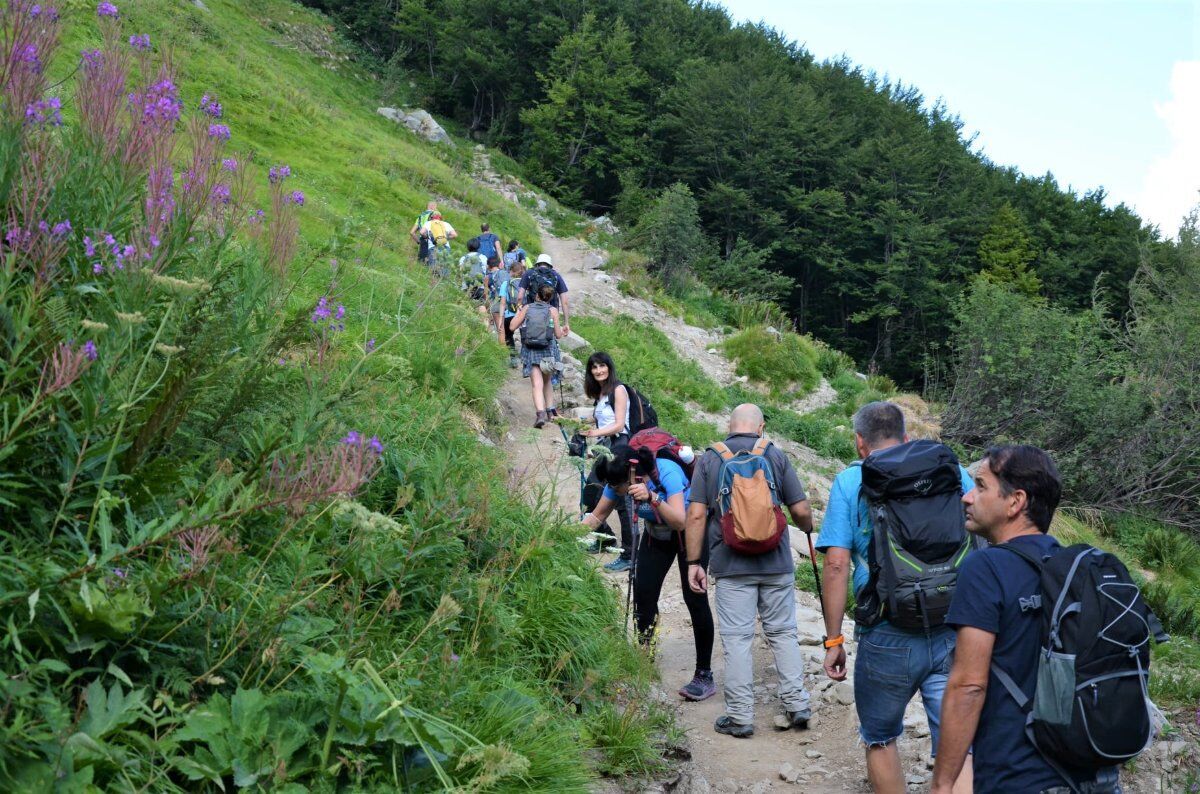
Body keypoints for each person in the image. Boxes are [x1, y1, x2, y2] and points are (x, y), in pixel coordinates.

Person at [932, 446, 1122, 794]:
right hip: (1094, 775)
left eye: (981, 486)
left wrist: (943, 783)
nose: (967, 497)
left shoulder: (985, 567)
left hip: (1017, 775)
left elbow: (968, 685)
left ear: (1015, 501)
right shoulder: (1077, 569)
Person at [815, 401, 974, 793]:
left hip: (886, 629)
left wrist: (833, 639)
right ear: (906, 437)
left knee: (881, 737)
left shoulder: (851, 482)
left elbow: (836, 564)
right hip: (953, 624)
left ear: (859, 443)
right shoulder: (953, 471)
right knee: (959, 744)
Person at [685, 404, 815, 736]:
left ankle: (741, 716)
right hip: (776, 563)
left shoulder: (711, 458)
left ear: (730, 426)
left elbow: (697, 515)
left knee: (738, 640)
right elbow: (800, 509)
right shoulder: (774, 454)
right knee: (783, 633)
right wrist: (807, 525)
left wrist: (693, 563)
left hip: (731, 566)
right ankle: (797, 704)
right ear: (761, 427)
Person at [583, 442, 717, 701]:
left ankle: (704, 673)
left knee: (694, 598)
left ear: (633, 477)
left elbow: (680, 519)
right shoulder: (618, 480)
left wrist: (653, 497)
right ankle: (645, 657)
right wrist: (563, 534)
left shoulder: (666, 471)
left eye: (617, 487)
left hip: (690, 534)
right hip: (656, 536)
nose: (615, 492)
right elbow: (597, 516)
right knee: (643, 593)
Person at [580, 352, 634, 572]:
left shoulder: (618, 390)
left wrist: (594, 432)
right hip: (607, 445)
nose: (598, 370)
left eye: (602, 366)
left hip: (620, 446)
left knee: (622, 501)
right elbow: (602, 417)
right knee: (592, 491)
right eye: (594, 367)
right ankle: (606, 538)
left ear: (609, 367)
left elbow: (620, 424)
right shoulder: (601, 393)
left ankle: (629, 554)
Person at [508, 283, 565, 428]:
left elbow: (512, 327)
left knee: (536, 384)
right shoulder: (552, 310)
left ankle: (540, 414)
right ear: (550, 298)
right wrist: (563, 331)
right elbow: (557, 335)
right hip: (547, 349)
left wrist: (518, 313)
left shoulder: (527, 308)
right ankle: (550, 411)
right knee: (547, 381)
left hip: (531, 349)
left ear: (536, 295)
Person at [516, 253, 569, 334]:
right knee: (549, 336)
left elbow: (520, 296)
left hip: (531, 311)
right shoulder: (556, 275)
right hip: (550, 312)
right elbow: (565, 302)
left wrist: (519, 309)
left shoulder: (529, 273)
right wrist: (566, 323)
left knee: (530, 334)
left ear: (537, 264)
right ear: (550, 265)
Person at [501, 260, 523, 368]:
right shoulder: (525, 283)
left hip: (510, 314)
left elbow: (503, 303)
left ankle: (513, 359)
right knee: (525, 337)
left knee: (508, 336)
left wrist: (501, 318)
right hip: (523, 314)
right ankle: (526, 360)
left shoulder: (506, 283)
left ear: (511, 271)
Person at [485, 257, 509, 344]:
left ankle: (503, 353)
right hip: (508, 303)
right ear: (499, 264)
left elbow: (486, 295)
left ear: (488, 266)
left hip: (496, 305)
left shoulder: (487, 277)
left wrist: (488, 309)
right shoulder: (506, 273)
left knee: (500, 329)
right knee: (508, 329)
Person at [408, 200, 437, 266]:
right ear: (433, 206)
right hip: (431, 240)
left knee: (421, 262)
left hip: (423, 240)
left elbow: (412, 232)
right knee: (430, 264)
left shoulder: (420, 217)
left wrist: (419, 242)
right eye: (436, 207)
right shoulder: (434, 215)